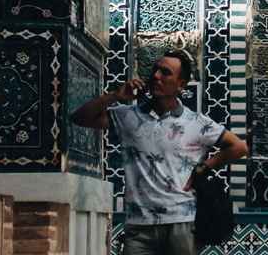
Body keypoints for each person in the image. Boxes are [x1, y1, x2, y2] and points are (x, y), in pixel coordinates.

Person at [70, 50, 248, 254]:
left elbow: (239, 147)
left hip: (182, 222)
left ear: (181, 85)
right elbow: (79, 118)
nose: (155, 76)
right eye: (155, 69)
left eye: (165, 72)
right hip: (139, 225)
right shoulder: (127, 116)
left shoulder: (196, 122)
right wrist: (115, 96)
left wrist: (202, 168)